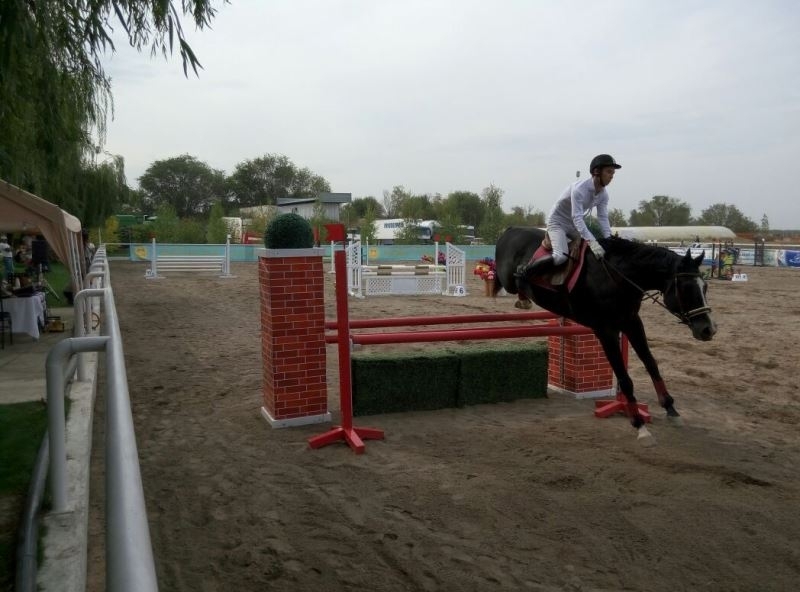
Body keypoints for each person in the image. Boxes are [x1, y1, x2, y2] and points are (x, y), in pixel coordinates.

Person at [517, 154, 621, 283]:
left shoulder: (603, 195)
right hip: (557, 222)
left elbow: (603, 218)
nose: (612, 176)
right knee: (560, 256)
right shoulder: (579, 189)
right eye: (609, 172)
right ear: (596, 171)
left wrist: (608, 238)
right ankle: (525, 271)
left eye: (613, 173)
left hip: (572, 225)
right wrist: (592, 242)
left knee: (586, 251)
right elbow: (577, 218)